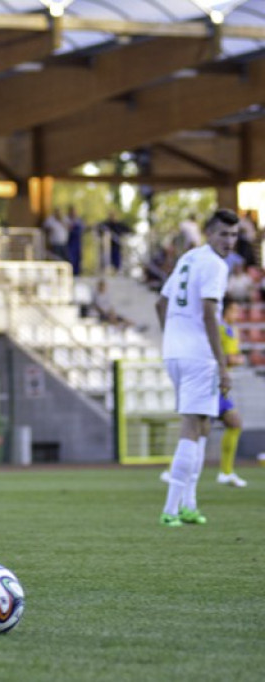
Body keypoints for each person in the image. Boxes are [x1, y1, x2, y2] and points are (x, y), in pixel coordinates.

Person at [155, 208, 239, 527]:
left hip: (175, 353)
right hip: (198, 356)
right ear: (208, 233)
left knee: (203, 425)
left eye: (233, 235)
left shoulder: (188, 259)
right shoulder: (215, 265)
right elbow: (208, 313)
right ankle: (170, 509)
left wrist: (172, 339)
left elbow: (160, 303)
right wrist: (222, 364)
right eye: (223, 234)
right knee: (192, 426)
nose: (229, 242)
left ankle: (189, 503)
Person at [216, 297, 248, 488]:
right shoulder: (219, 329)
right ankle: (225, 472)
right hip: (213, 385)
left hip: (222, 387)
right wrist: (236, 360)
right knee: (196, 431)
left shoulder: (232, 330)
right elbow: (226, 358)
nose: (237, 315)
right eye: (234, 310)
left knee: (234, 424)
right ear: (225, 311)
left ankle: (226, 472)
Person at [66, 206, 84, 276]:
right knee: (71, 258)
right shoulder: (67, 220)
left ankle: (77, 273)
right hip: (70, 242)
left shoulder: (79, 220)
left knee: (78, 259)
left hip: (78, 243)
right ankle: (71, 273)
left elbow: (82, 229)